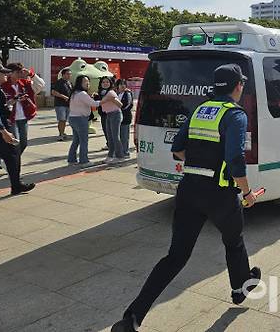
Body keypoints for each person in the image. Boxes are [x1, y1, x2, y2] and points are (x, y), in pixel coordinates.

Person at [111, 64, 261, 332]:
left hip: (189, 189)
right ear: (238, 86)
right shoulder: (235, 115)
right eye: (242, 84)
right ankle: (240, 288)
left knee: (176, 256)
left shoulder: (200, 111)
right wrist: (247, 192)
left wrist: (200, 163)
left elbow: (177, 149)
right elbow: (235, 159)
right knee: (233, 242)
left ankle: (131, 318)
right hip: (220, 194)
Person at [0, 64, 35, 195]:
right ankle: (16, 186)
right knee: (13, 155)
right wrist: (3, 131)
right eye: (3, 72)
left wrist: (12, 102)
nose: (6, 74)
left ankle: (16, 186)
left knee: (13, 155)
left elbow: (1, 108)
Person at [2, 63, 43, 155]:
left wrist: (31, 74)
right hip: (10, 118)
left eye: (21, 72)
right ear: (10, 73)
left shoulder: (25, 83)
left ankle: (13, 158)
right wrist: (14, 100)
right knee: (14, 142)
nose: (20, 74)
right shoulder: (3, 85)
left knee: (23, 143)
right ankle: (11, 160)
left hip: (23, 117)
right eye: (18, 72)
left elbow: (40, 85)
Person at [67, 75, 100, 167]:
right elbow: (93, 104)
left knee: (76, 140)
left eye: (88, 81)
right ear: (79, 83)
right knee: (84, 141)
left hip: (73, 118)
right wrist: (105, 100)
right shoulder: (82, 94)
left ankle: (71, 159)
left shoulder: (74, 93)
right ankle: (84, 161)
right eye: (85, 82)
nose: (87, 83)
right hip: (80, 119)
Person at [101, 80, 124, 163]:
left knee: (115, 136)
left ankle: (120, 156)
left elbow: (120, 105)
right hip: (108, 114)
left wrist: (112, 99)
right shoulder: (103, 92)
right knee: (110, 136)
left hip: (115, 114)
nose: (105, 84)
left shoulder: (110, 93)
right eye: (103, 82)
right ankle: (110, 155)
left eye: (107, 82)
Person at [51, 68, 72, 140]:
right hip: (60, 104)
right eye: (67, 74)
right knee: (61, 120)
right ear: (63, 75)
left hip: (68, 104)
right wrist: (63, 97)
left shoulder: (69, 83)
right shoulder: (59, 82)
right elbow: (53, 92)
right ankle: (61, 134)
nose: (69, 75)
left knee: (65, 120)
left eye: (70, 74)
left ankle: (63, 132)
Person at [117, 79, 133, 158]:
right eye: (120, 84)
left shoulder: (128, 93)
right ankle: (119, 151)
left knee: (124, 136)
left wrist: (119, 108)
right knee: (118, 136)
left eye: (124, 84)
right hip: (116, 118)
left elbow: (128, 105)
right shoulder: (116, 93)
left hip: (125, 118)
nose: (122, 86)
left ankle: (125, 152)